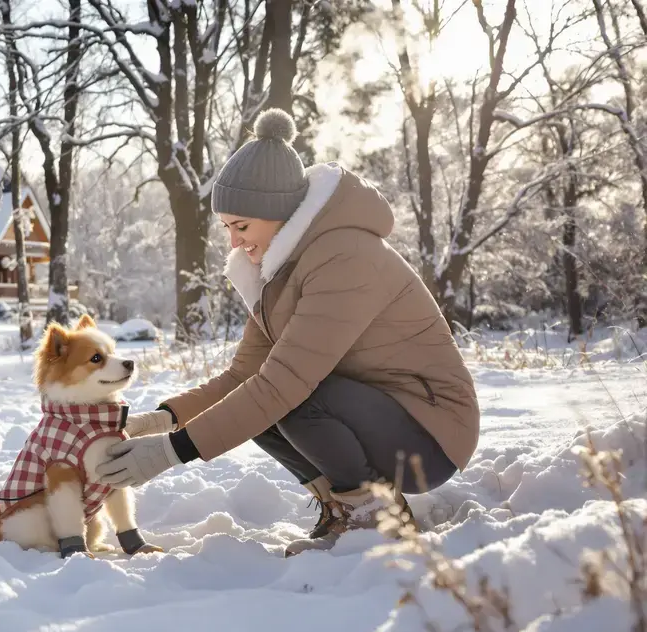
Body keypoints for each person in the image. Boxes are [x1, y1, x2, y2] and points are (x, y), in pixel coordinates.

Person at [94, 109, 480, 556]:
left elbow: (284, 382)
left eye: (242, 227)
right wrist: (159, 422)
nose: (235, 243)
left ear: (279, 215)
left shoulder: (345, 257)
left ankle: (372, 518)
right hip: (379, 415)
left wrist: (168, 453)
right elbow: (242, 379)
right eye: (227, 229)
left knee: (288, 397)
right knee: (257, 405)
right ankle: (344, 504)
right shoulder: (277, 273)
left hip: (431, 432)